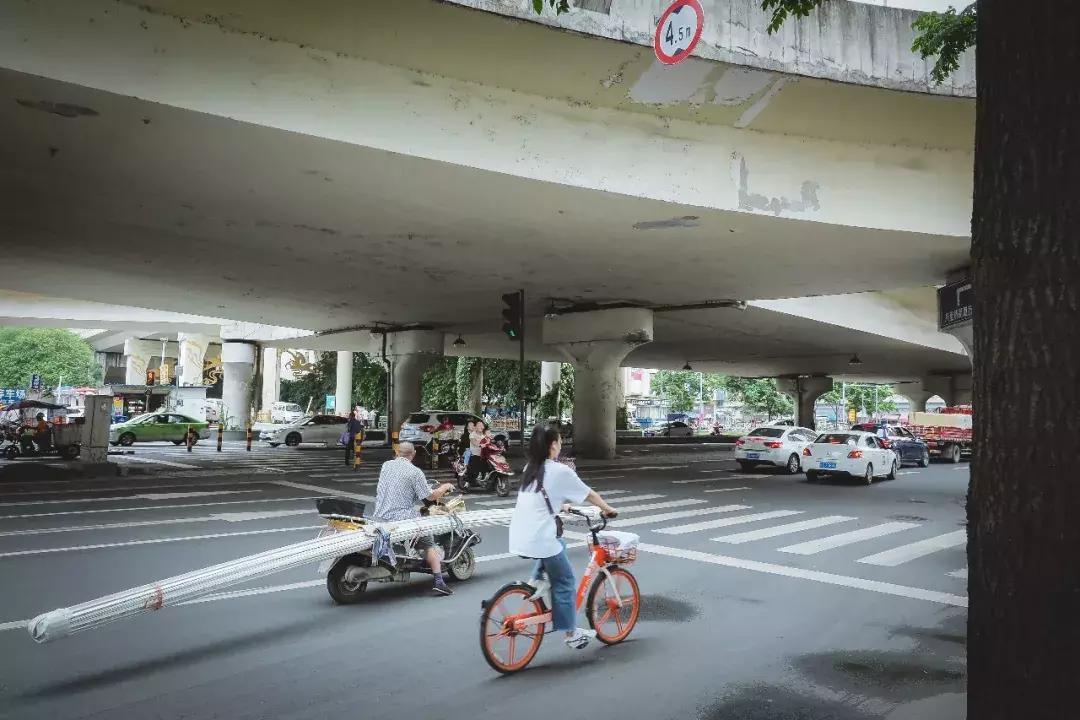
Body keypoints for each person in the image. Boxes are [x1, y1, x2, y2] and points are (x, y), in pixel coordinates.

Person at [508, 424, 617, 650]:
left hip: (519, 534)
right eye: (558, 441)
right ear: (552, 445)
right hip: (539, 538)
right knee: (565, 581)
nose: (560, 445)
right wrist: (608, 509)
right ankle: (571, 633)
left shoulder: (531, 467)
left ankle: (537, 580)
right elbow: (589, 494)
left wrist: (562, 505)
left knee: (560, 543)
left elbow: (540, 500)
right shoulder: (560, 470)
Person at [371, 442, 457, 596]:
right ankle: (439, 581)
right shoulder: (415, 472)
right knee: (429, 543)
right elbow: (430, 496)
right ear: (414, 454)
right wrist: (445, 486)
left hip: (379, 515)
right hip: (401, 518)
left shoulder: (386, 465)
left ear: (397, 453)